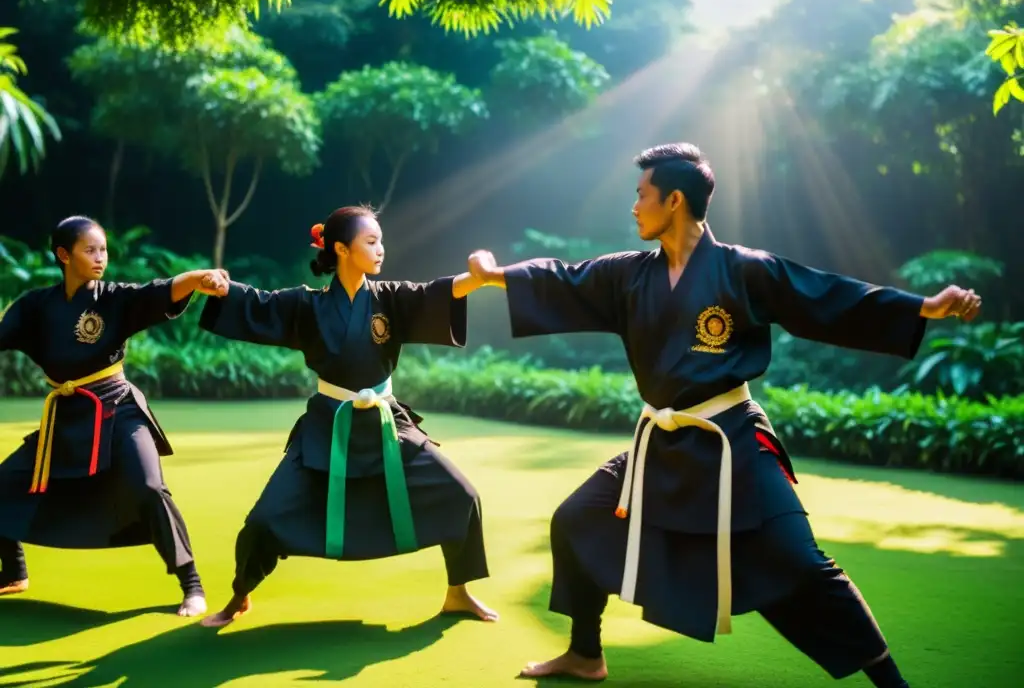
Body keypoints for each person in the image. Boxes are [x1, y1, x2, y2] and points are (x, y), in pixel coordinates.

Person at [466, 143, 981, 687]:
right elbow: (563, 278)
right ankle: (585, 653)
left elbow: (826, 296)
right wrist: (497, 275)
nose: (634, 206)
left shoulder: (744, 270)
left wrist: (921, 307)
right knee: (575, 519)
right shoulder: (627, 275)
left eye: (642, 195)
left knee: (801, 564)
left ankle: (892, 684)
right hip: (661, 444)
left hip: (732, 441)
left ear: (675, 201)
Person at [198, 205, 496, 628]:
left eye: (381, 241)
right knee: (264, 520)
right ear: (341, 248)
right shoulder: (308, 305)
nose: (381, 250)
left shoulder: (391, 298)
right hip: (327, 427)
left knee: (461, 495)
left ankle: (458, 593)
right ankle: (238, 596)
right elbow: (259, 304)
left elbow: (438, 293)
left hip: (385, 423)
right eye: (371, 242)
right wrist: (220, 288)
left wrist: (478, 278)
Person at [0, 215, 230, 616]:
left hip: (116, 410)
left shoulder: (113, 299)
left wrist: (197, 278)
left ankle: (191, 584)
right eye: (90, 250)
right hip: (65, 418)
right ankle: (14, 571)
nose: (100, 257)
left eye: (103, 249)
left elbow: (156, 293)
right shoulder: (35, 306)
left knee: (148, 486)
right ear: (63, 255)